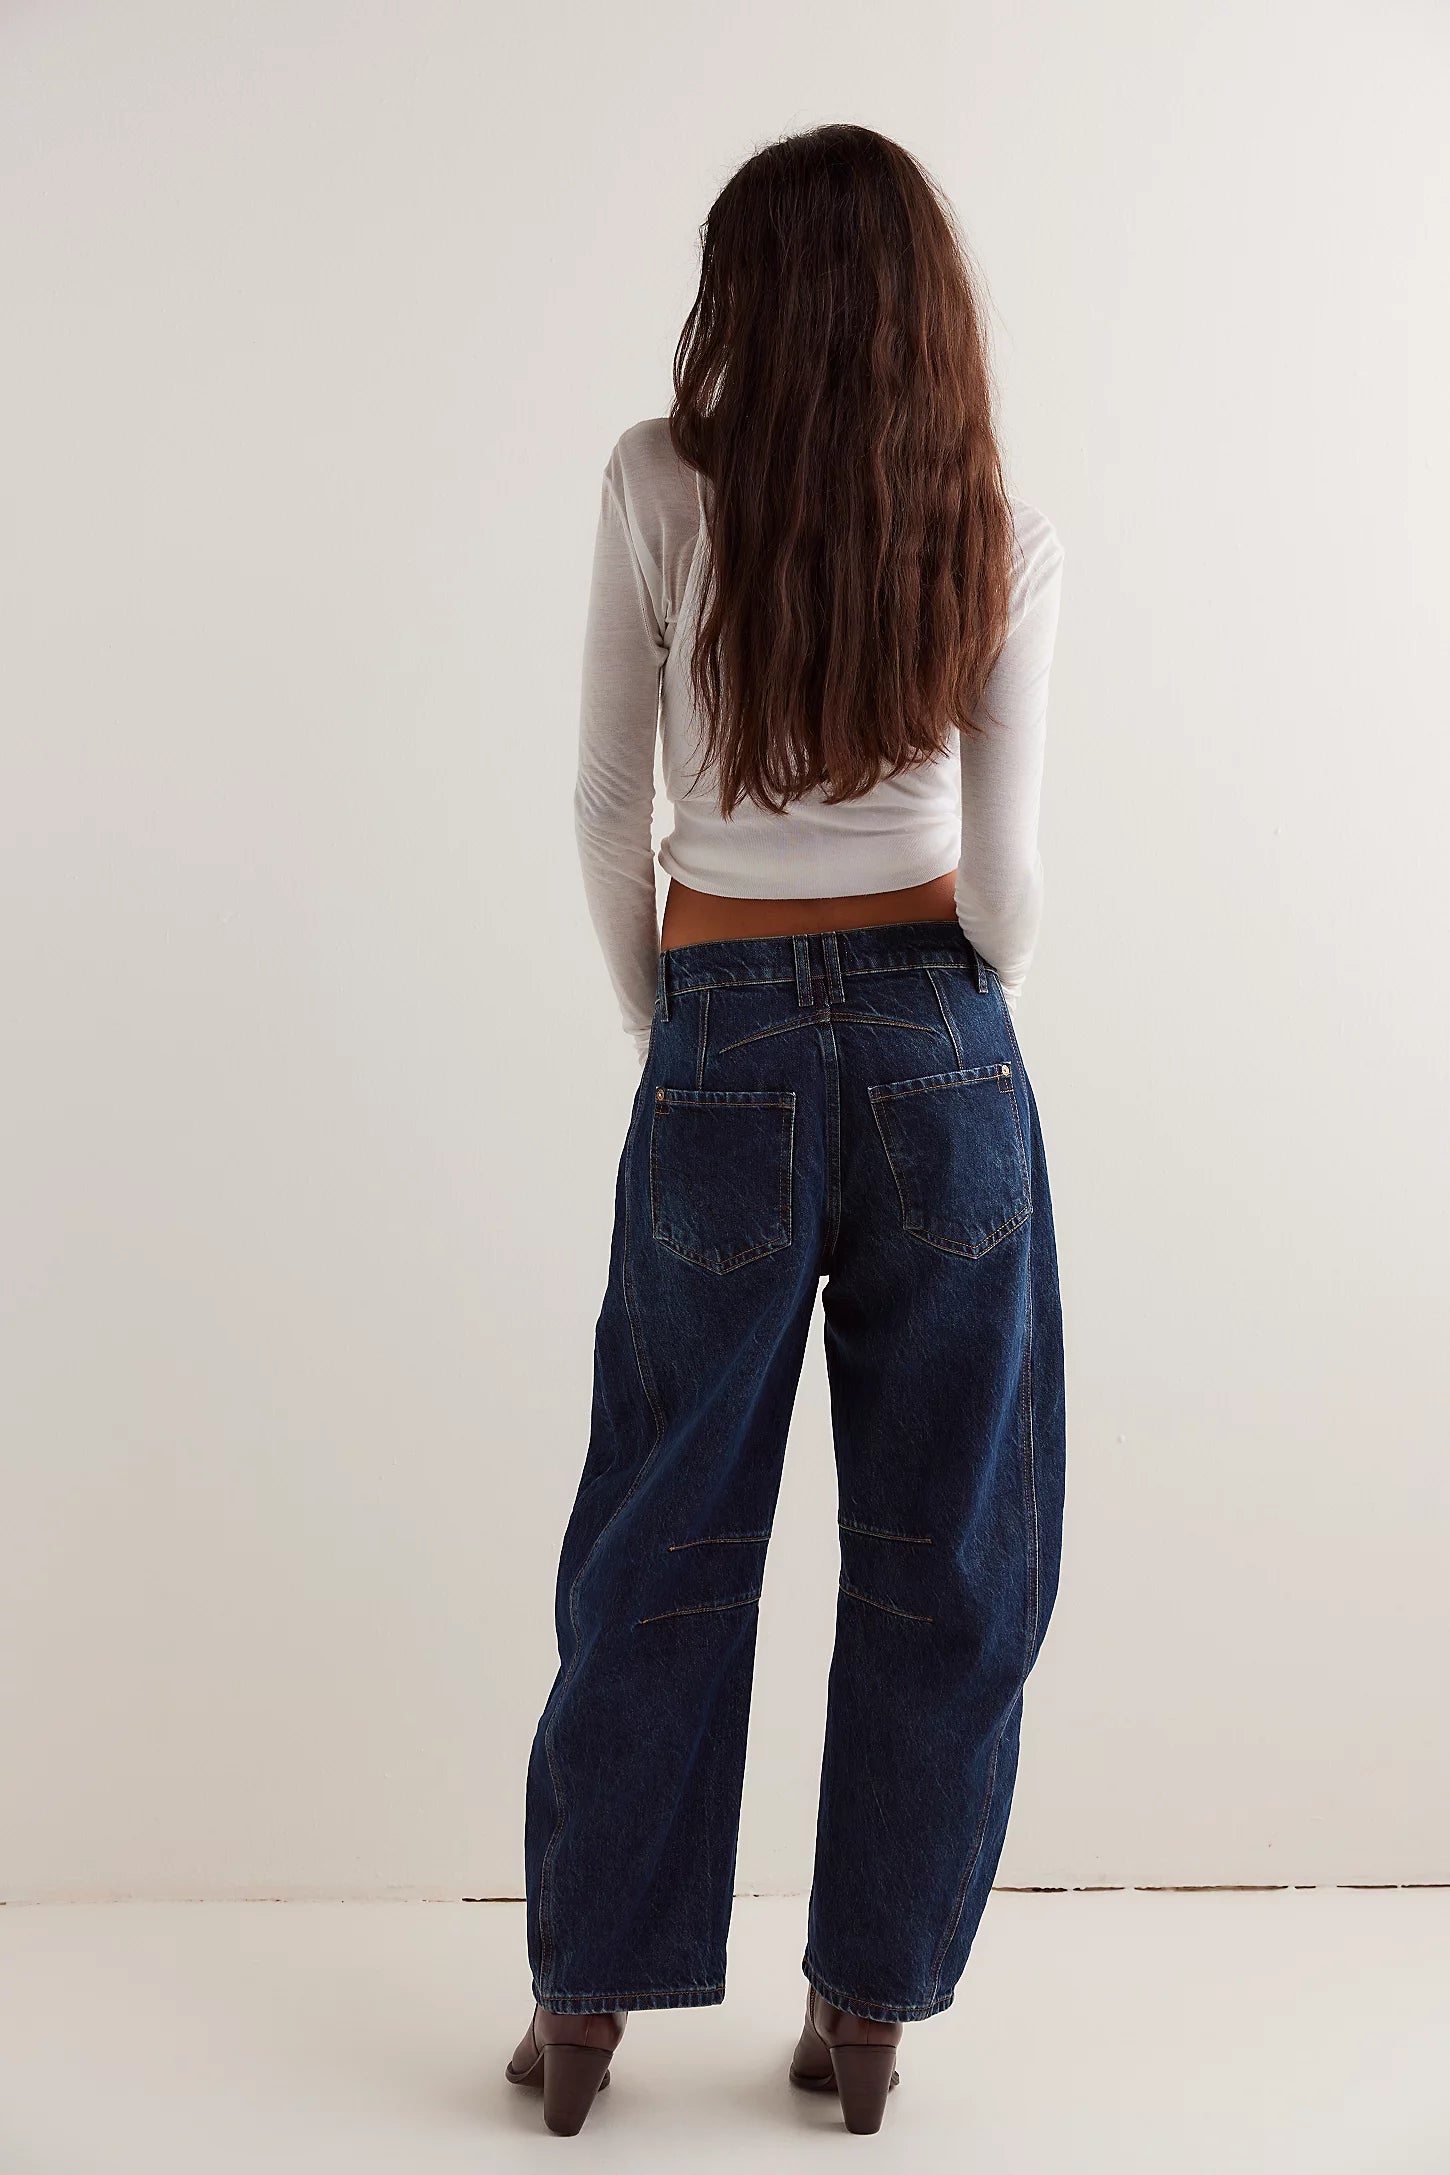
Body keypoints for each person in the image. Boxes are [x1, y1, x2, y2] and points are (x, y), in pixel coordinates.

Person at [505, 121, 1067, 2137]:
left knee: (658, 1528)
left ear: (739, 288)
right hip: (942, 1048)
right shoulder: (993, 529)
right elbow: (1002, 892)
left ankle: (586, 2001)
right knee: (949, 1541)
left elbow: (606, 807)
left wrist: (681, 1017)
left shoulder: (655, 481)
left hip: (719, 1029)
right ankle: (868, 2008)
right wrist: (930, 991)